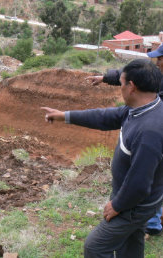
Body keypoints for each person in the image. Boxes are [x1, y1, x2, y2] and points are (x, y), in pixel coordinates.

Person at [41, 59, 163, 257]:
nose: (120, 88)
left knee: (95, 246)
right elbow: (104, 117)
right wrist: (64, 115)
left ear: (131, 87)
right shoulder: (142, 109)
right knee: (130, 243)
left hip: (135, 205)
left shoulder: (149, 131)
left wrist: (118, 204)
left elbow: (140, 183)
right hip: (138, 201)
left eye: (122, 83)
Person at [87, 44, 163, 236]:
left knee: (148, 175)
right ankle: (150, 224)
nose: (158, 61)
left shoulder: (150, 126)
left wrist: (118, 204)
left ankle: (151, 223)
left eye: (160, 58)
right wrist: (105, 77)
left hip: (154, 133)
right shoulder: (155, 76)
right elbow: (130, 76)